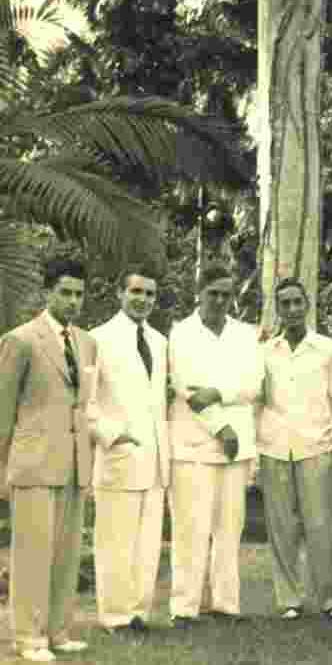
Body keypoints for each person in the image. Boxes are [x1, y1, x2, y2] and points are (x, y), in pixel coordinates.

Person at [0, 258, 113, 661]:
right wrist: (2, 469)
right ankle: (28, 637)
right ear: (47, 292)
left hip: (74, 460)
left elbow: (84, 404)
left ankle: (59, 630)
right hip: (32, 462)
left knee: (66, 555)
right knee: (32, 554)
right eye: (64, 292)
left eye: (78, 294)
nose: (72, 300)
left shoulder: (87, 343)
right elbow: (3, 411)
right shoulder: (21, 340)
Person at [167, 265, 263, 626]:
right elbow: (186, 389)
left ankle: (226, 604)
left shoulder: (244, 334)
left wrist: (220, 391)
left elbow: (254, 382)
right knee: (191, 528)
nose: (220, 301)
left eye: (226, 294)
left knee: (229, 529)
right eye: (213, 294)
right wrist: (220, 426)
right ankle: (185, 607)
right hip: (194, 443)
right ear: (200, 292)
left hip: (236, 448)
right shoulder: (181, 333)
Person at [258, 278, 332, 622]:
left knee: (320, 524)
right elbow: (257, 398)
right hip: (275, 446)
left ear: (307, 305)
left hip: (316, 446)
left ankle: (329, 598)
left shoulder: (328, 349)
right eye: (285, 304)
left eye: (298, 302)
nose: (293, 309)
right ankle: (290, 599)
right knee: (281, 526)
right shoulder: (266, 351)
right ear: (278, 309)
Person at [89, 265, 171, 635]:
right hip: (118, 455)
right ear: (120, 293)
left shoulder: (158, 341)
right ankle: (114, 616)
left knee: (147, 543)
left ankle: (138, 612)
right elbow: (85, 404)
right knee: (114, 542)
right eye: (136, 292)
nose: (143, 300)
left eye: (150, 294)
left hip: (154, 459)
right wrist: (112, 435)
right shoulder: (98, 339)